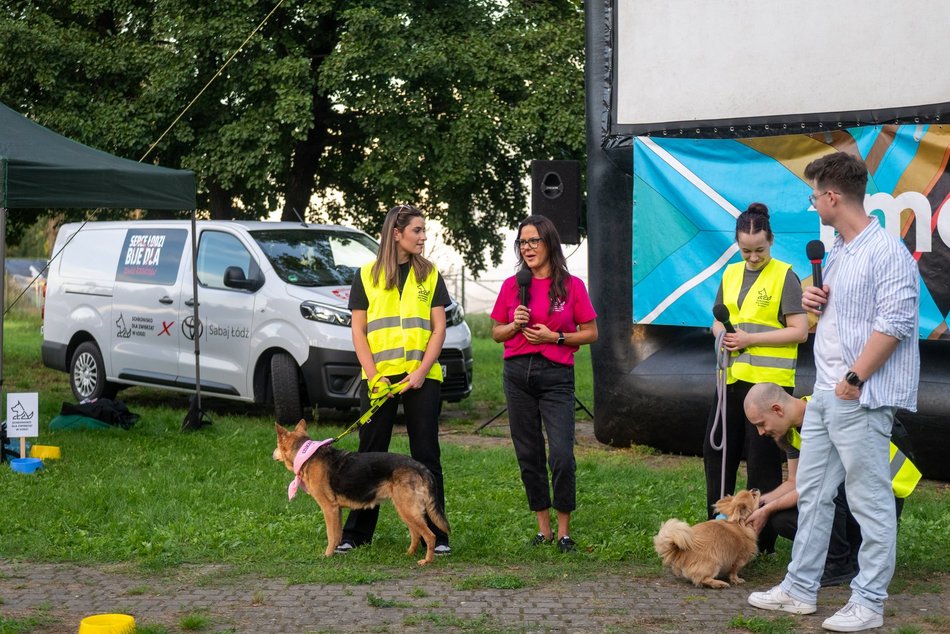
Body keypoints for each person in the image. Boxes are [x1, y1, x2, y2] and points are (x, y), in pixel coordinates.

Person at [747, 152, 920, 633]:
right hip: (824, 393)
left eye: (813, 195)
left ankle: (868, 602)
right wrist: (814, 303)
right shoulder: (839, 251)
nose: (811, 204)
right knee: (815, 496)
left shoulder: (886, 251)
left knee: (869, 500)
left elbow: (897, 323)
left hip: (858, 396)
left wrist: (855, 379)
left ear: (832, 196)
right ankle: (800, 588)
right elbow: (844, 321)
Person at [336, 204, 451, 555]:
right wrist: (374, 376)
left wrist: (419, 372)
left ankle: (438, 534)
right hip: (379, 380)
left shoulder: (429, 274)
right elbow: (358, 331)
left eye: (424, 230)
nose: (424, 237)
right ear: (396, 234)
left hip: (422, 376)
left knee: (426, 454)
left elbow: (439, 328)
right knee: (368, 456)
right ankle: (356, 534)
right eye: (417, 230)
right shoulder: (366, 274)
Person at [703, 202, 809, 554]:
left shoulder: (785, 276)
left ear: (772, 241)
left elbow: (800, 331)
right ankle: (716, 530)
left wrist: (751, 340)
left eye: (759, 250)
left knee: (763, 464)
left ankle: (759, 541)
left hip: (768, 389)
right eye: (745, 250)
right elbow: (717, 320)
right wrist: (723, 336)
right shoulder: (730, 274)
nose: (752, 257)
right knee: (718, 455)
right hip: (731, 382)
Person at [743, 382, 922, 588]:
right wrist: (757, 504)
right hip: (853, 495)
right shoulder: (792, 432)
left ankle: (838, 565)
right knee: (783, 519)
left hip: (884, 493)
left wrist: (767, 509)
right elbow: (795, 482)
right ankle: (850, 555)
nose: (760, 432)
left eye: (761, 424)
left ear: (777, 409)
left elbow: (817, 485)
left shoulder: (827, 416)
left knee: (827, 488)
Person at [490, 215, 598, 553]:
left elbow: (592, 332)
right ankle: (544, 529)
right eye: (523, 242)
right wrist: (513, 324)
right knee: (529, 453)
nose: (527, 247)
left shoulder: (572, 286)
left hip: (556, 377)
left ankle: (565, 531)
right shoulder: (513, 285)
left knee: (562, 454)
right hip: (517, 374)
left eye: (534, 241)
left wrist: (557, 336)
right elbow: (496, 333)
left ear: (549, 243)